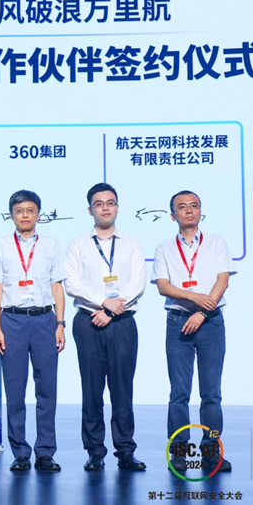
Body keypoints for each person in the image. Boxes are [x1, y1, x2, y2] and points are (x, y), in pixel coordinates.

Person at [64, 183, 147, 472]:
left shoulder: (131, 243)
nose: (105, 208)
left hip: (122, 323)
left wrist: (111, 311)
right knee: (91, 389)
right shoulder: (78, 244)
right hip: (88, 322)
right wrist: (102, 302)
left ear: (117, 207)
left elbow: (138, 282)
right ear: (90, 210)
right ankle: (95, 451)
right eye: (99, 204)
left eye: (110, 202)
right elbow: (72, 283)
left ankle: (125, 450)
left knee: (122, 389)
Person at [152, 190, 235, 474]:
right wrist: (195, 297)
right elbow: (163, 286)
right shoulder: (164, 248)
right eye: (182, 207)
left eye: (194, 206)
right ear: (172, 215)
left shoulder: (216, 243)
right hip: (178, 322)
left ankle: (211, 451)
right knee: (179, 392)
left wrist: (202, 311)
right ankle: (179, 451)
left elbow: (223, 281)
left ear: (201, 211)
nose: (189, 210)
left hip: (210, 323)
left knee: (211, 393)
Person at [0, 190, 66, 472]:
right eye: (20, 211)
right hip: (12, 321)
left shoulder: (51, 245)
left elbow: (57, 287)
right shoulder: (0, 246)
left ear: (38, 214)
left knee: (47, 389)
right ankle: (20, 452)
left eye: (30, 210)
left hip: (45, 320)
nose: (25, 215)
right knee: (15, 389)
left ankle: (45, 452)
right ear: (11, 214)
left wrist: (60, 324)